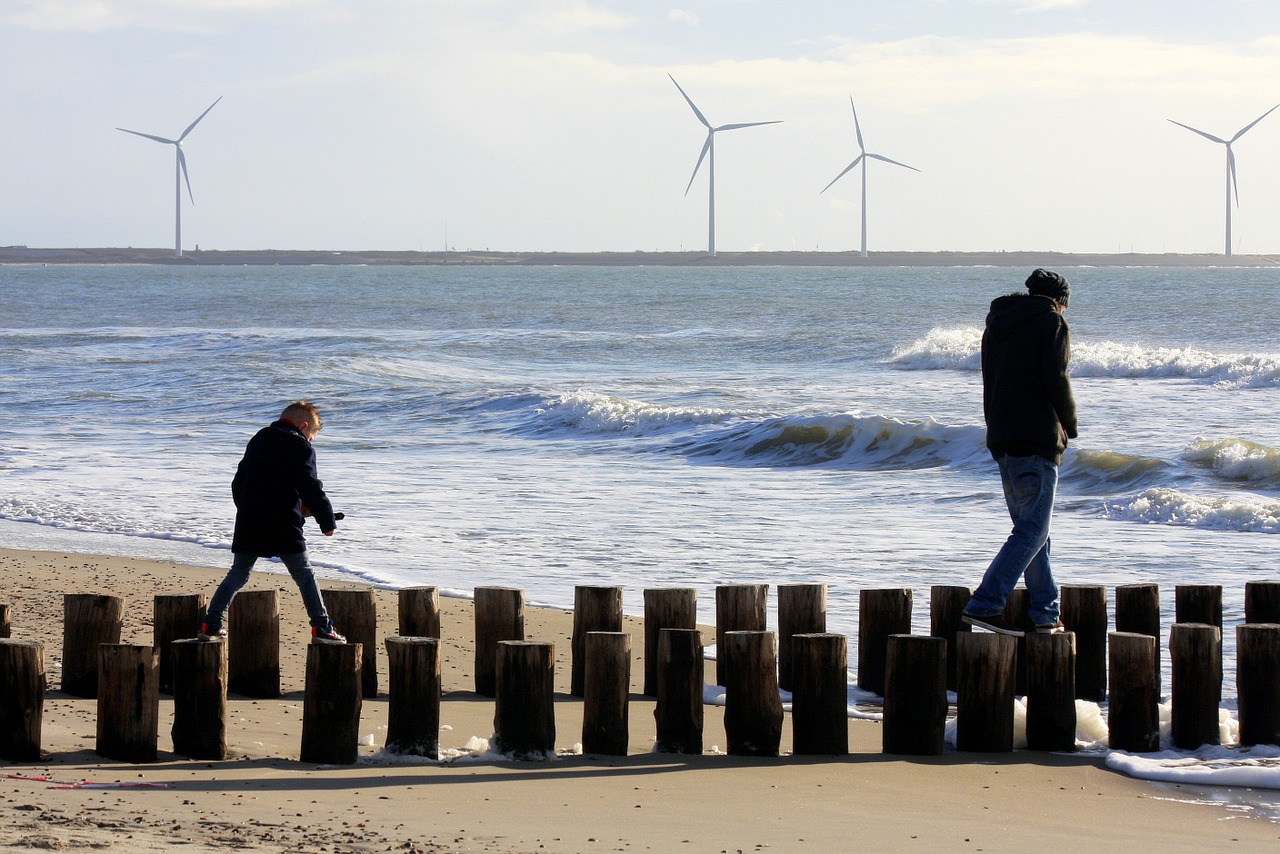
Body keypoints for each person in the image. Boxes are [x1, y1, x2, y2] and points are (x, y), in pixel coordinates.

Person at [962, 269, 1077, 637]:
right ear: (1060, 301)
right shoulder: (1052, 323)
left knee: (1033, 531)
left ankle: (1045, 612)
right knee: (1032, 530)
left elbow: (990, 381)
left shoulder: (997, 325)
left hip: (1004, 438)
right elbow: (1057, 378)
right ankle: (986, 603)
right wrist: (1069, 425)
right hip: (1037, 439)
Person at [200, 400, 346, 644]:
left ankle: (211, 624)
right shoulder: (300, 446)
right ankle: (322, 627)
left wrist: (247, 509)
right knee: (304, 574)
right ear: (304, 426)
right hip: (283, 523)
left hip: (250, 520)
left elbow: (238, 482)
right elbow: (310, 486)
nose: (310, 441)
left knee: (239, 573)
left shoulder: (259, 439)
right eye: (311, 436)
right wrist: (327, 521)